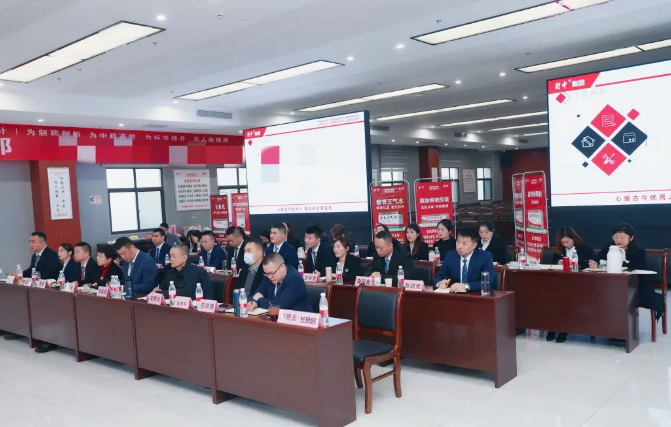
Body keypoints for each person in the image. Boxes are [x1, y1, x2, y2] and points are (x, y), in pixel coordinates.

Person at [589, 224, 664, 318]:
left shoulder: (639, 252)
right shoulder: (609, 248)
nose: (618, 240)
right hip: (612, 284)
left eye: (622, 237)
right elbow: (596, 259)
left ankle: (623, 321)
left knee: (641, 295)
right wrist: (594, 263)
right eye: (616, 236)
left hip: (634, 284)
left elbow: (639, 272)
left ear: (631, 238)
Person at [545, 226, 595, 343]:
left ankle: (564, 330)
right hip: (561, 283)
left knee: (565, 298)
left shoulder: (585, 249)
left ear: (574, 239)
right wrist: (559, 264)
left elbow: (590, 266)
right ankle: (553, 327)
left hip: (581, 284)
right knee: (553, 298)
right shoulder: (559, 251)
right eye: (563, 243)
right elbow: (552, 266)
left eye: (567, 242)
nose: (565, 245)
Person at [434, 227, 495, 293]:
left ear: (474, 245)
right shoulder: (450, 256)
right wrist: (440, 283)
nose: (459, 246)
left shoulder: (485, 257)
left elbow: (488, 282)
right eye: (458, 241)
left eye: (464, 243)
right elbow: (438, 277)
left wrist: (466, 286)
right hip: (456, 295)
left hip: (476, 296)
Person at [247, 253, 312, 312]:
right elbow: (256, 294)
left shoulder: (295, 279)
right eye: (266, 273)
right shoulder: (269, 276)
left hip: (298, 319)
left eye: (272, 273)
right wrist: (252, 302)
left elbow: (279, 305)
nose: (269, 277)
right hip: (275, 318)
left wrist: (258, 300)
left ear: (282, 267)